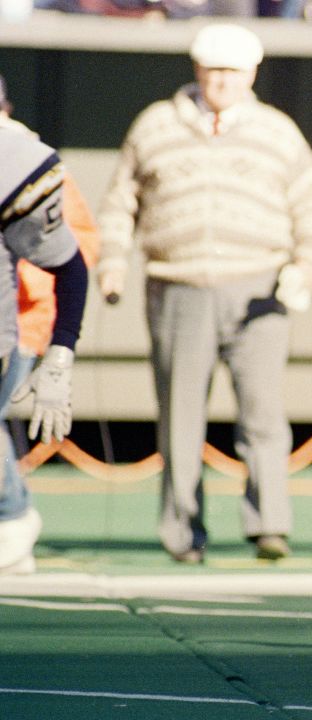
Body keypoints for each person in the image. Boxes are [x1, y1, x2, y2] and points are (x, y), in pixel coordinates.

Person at [97, 23, 312, 563]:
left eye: (233, 71)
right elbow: (120, 202)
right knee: (180, 415)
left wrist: (306, 265)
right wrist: (112, 263)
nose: (222, 81)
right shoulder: (155, 125)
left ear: (251, 74)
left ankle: (269, 525)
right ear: (196, 69)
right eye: (214, 70)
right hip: (176, 283)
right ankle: (183, 530)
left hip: (260, 286)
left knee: (263, 412)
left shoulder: (277, 130)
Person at [0, 77, 101, 578]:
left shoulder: (20, 161)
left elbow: (72, 255)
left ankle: (14, 517)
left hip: (16, 319)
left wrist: (57, 347)